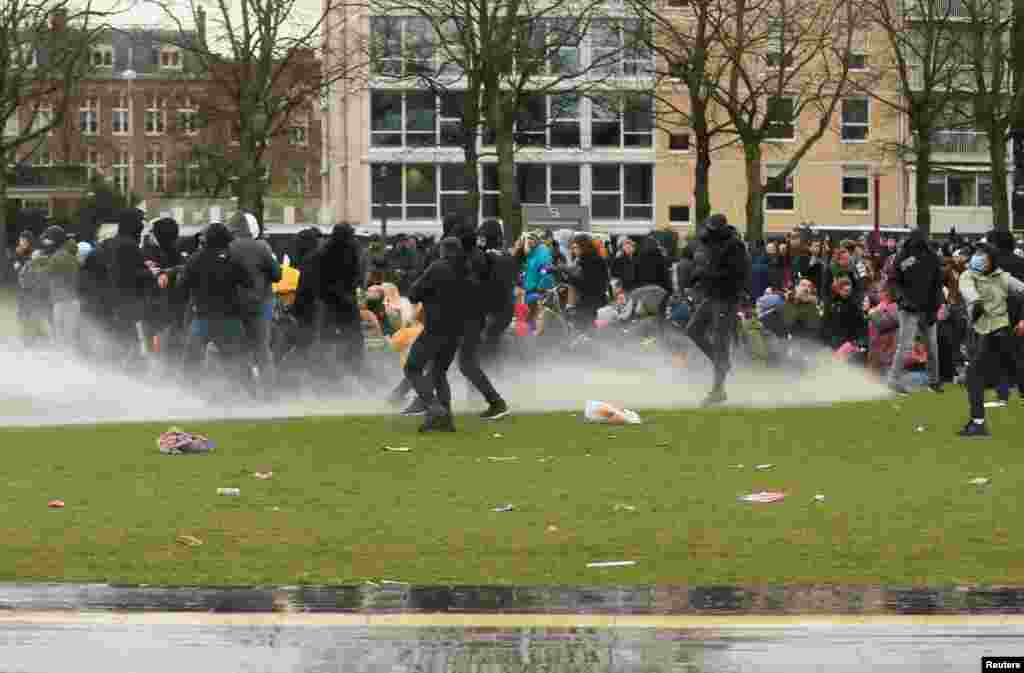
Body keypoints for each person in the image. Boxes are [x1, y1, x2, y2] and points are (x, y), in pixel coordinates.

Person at [956, 243, 1024, 437]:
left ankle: (978, 424)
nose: (977, 257)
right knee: (1012, 370)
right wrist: (976, 302)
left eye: (982, 255)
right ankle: (978, 422)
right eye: (977, 253)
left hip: (995, 332)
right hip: (991, 332)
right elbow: (969, 292)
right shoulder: (969, 275)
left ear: (992, 261)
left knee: (974, 376)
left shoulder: (1003, 277)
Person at [177, 222, 252, 390]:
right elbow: (248, 282)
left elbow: (181, 287)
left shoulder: (194, 259)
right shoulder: (233, 259)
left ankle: (186, 395)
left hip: (202, 319)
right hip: (229, 319)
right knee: (238, 361)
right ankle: (251, 397)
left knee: (191, 362)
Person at [404, 237, 468, 432]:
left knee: (412, 368)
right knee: (439, 373)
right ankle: (446, 420)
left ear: (443, 250)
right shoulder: (467, 269)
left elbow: (414, 293)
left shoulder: (438, 267)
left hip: (435, 328)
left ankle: (433, 406)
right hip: (457, 330)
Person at [687, 213, 750, 407]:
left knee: (721, 341)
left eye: (712, 229)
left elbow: (737, 274)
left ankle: (718, 390)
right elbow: (705, 263)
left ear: (721, 228)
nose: (709, 232)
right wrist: (697, 275)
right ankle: (721, 362)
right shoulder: (709, 242)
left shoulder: (736, 246)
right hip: (711, 295)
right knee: (693, 330)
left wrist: (706, 274)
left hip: (727, 298)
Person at [451, 219, 509, 421]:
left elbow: (483, 286)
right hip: (498, 313)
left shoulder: (485, 258)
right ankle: (487, 398)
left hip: (486, 314)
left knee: (472, 359)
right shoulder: (502, 256)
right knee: (481, 357)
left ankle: (487, 399)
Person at [300, 223, 366, 390]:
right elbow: (357, 275)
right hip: (342, 301)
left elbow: (317, 280)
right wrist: (346, 293)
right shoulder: (351, 250)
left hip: (329, 301)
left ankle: (330, 375)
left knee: (327, 340)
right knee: (352, 339)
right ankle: (351, 372)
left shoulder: (322, 253)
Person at [226, 211, 282, 389]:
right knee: (262, 349)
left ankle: (246, 391)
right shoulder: (262, 247)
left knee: (241, 350)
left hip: (235, 305)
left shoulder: (228, 247)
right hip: (261, 303)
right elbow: (277, 275)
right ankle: (268, 391)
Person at [886, 230, 944, 395]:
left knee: (931, 346)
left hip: (926, 307)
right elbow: (894, 281)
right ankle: (894, 379)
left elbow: (937, 284)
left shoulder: (932, 257)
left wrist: (935, 307)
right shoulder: (902, 256)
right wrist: (902, 299)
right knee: (907, 345)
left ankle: (933, 381)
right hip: (909, 307)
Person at [99, 208, 154, 367]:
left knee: (118, 347)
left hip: (111, 305)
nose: (142, 227)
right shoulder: (129, 245)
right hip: (130, 306)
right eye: (139, 223)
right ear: (132, 224)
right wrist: (151, 273)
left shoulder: (108, 244)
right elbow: (130, 274)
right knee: (137, 348)